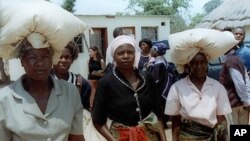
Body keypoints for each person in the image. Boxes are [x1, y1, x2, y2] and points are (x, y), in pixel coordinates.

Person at [0, 33, 85, 141]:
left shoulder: (70, 93)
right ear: (22, 61)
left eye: (45, 57)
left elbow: (76, 138)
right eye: (32, 57)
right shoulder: (4, 99)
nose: (39, 63)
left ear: (52, 59)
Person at [92, 35, 167, 141]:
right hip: (121, 138)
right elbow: (98, 121)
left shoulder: (147, 78)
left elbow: (158, 114)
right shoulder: (106, 83)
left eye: (130, 52)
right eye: (120, 53)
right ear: (114, 56)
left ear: (135, 54)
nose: (126, 56)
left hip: (149, 136)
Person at [165, 52, 232, 141]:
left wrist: (223, 135)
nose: (199, 67)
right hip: (187, 137)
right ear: (189, 65)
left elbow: (221, 118)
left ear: (207, 64)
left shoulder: (218, 87)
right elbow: (175, 120)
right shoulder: (177, 88)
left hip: (211, 136)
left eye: (202, 62)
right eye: (195, 63)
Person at [51, 41, 91, 110]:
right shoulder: (43, 82)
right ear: (52, 59)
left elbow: (84, 114)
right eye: (59, 57)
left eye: (67, 57)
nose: (63, 60)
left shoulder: (82, 84)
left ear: (72, 60)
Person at [146, 42, 177, 128]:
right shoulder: (161, 60)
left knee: (160, 107)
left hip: (160, 89)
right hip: (163, 88)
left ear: (156, 51)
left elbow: (154, 78)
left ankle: (162, 123)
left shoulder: (158, 63)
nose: (150, 50)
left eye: (152, 49)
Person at [220, 53, 250, 126]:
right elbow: (246, 80)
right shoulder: (236, 59)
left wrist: (246, 101)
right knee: (240, 133)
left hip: (235, 105)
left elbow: (240, 83)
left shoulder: (231, 61)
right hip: (240, 104)